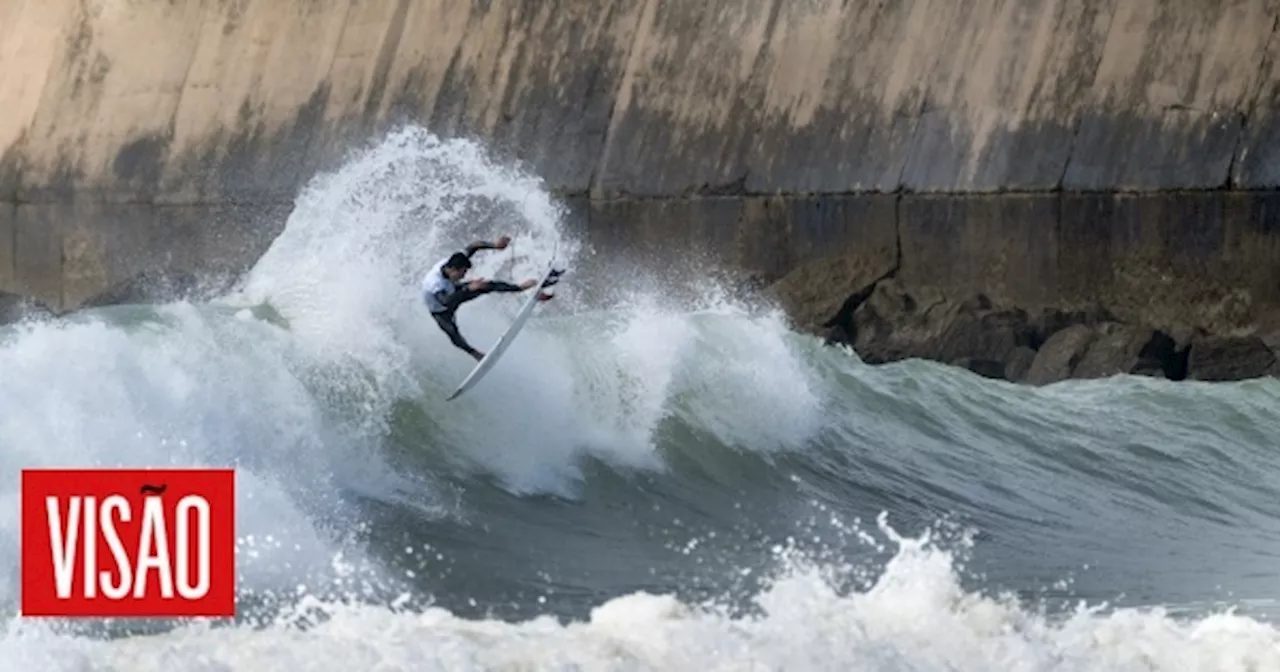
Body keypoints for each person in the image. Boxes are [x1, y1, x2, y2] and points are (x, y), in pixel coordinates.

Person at [422, 235, 552, 361]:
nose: (464, 276)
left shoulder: (453, 261)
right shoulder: (434, 283)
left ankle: (520, 288)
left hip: (453, 290)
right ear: (453, 270)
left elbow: (474, 246)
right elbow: (446, 301)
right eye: (462, 273)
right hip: (441, 309)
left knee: (486, 285)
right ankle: (474, 354)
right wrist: (468, 288)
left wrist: (494, 245)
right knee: (452, 331)